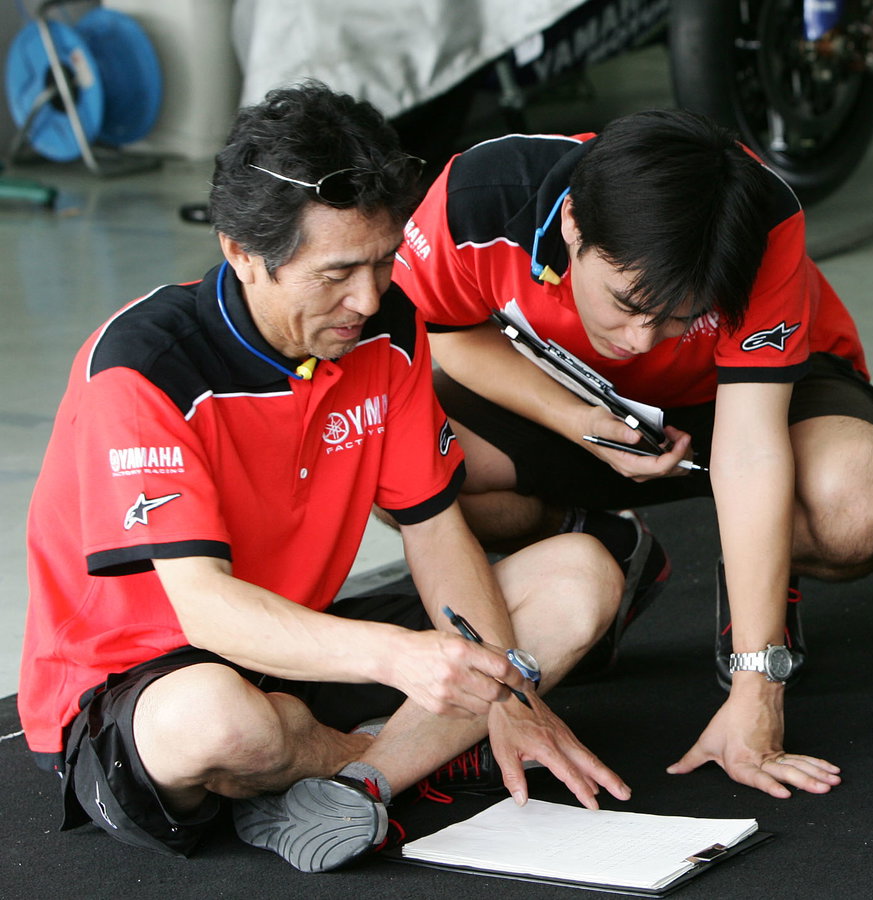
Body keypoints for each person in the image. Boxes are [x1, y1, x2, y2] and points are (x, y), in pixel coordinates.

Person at [18, 81, 630, 874]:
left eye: (383, 261)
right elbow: (205, 611)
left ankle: (361, 781)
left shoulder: (388, 327)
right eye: (338, 272)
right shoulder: (143, 368)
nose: (368, 298)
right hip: (140, 684)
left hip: (300, 647)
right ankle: (409, 753)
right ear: (242, 251)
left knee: (579, 575)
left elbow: (438, 534)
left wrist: (507, 695)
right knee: (222, 721)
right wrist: (404, 662)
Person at [392, 108, 873, 799]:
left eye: (677, 314)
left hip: (739, 395)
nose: (642, 339)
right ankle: (606, 554)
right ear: (573, 227)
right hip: (569, 392)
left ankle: (761, 574)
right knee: (413, 468)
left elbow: (752, 446)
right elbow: (446, 331)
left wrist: (760, 685)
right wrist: (577, 418)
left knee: (858, 502)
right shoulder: (477, 198)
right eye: (626, 302)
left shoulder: (758, 221)